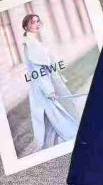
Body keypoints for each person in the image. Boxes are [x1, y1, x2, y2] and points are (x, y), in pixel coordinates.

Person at [22, 13, 80, 151]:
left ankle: (57, 141)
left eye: (37, 21)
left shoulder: (34, 41)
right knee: (57, 114)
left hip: (50, 81)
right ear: (26, 26)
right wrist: (49, 90)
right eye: (32, 22)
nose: (37, 24)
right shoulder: (30, 44)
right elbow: (38, 70)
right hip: (44, 85)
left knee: (55, 115)